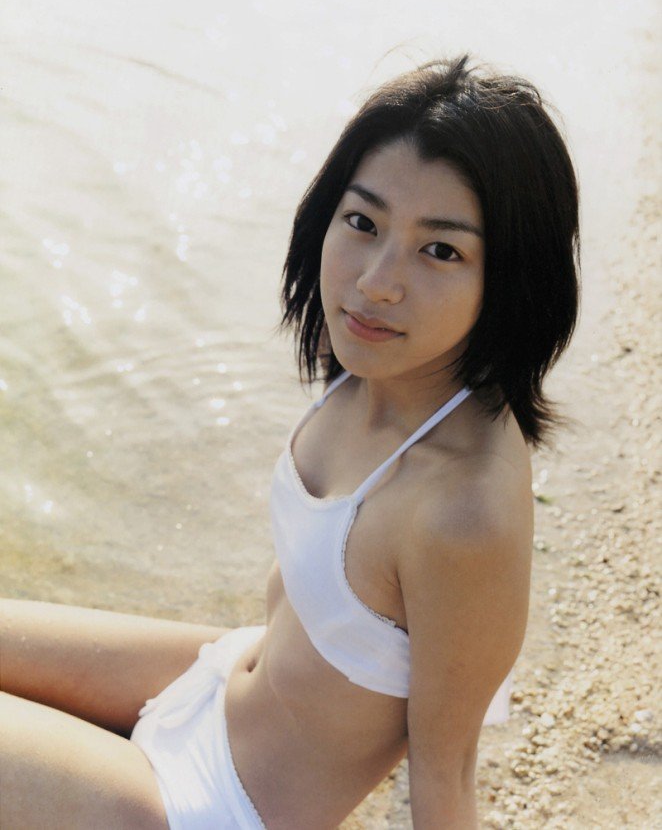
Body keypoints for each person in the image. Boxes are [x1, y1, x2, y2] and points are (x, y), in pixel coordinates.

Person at [0, 54, 580, 829]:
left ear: (509, 278)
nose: (376, 281)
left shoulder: (462, 511)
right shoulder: (376, 368)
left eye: (440, 250)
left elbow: (447, 773)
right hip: (214, 680)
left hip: (202, 808)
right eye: (364, 222)